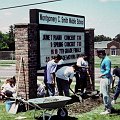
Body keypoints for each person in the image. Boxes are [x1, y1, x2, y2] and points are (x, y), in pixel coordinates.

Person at [97, 49, 113, 115]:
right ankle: (108, 107)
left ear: (101, 54)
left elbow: (108, 70)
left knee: (105, 95)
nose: (97, 56)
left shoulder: (107, 60)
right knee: (104, 94)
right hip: (104, 79)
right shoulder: (104, 59)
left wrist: (102, 74)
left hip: (106, 78)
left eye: (98, 55)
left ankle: (108, 109)